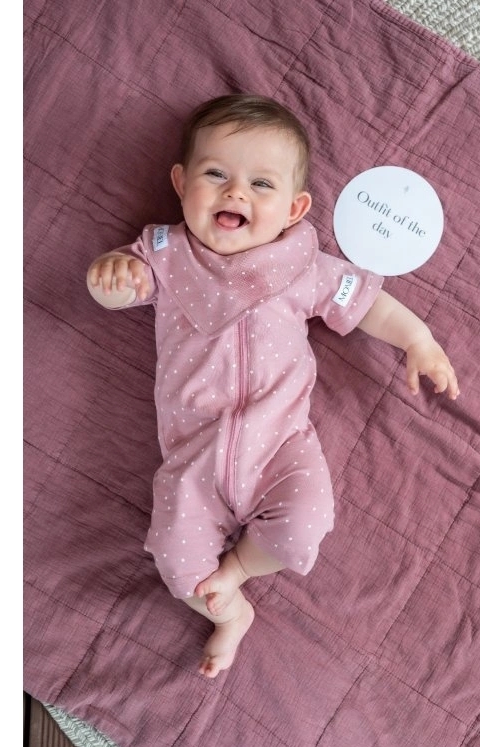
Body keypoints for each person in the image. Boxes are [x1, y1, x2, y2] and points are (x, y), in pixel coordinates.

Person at [87, 94, 459, 679]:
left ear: (294, 208)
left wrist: (418, 338)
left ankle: (238, 570)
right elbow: (116, 292)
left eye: (261, 184)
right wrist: (108, 277)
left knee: (306, 524)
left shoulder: (303, 266)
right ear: (181, 184)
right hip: (193, 457)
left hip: (281, 446)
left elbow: (368, 305)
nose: (236, 193)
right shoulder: (164, 256)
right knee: (175, 562)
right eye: (216, 175)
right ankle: (230, 614)